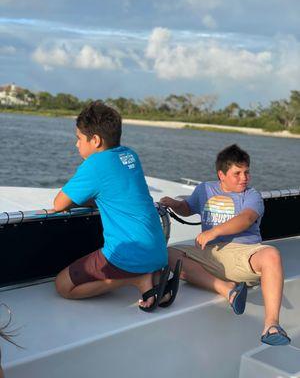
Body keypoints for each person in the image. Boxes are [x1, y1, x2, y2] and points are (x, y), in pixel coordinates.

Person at [53, 101, 179, 312]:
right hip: (157, 250)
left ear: (95, 140)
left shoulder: (94, 164)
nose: (76, 145)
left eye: (79, 139)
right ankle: (151, 278)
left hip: (130, 255)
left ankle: (137, 280)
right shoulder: (130, 155)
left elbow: (59, 204)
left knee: (63, 286)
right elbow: (116, 193)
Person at [160, 144, 290, 345]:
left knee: (271, 255)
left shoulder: (252, 195)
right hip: (211, 254)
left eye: (246, 172)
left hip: (243, 254)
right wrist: (176, 205)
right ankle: (228, 289)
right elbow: (188, 207)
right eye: (237, 173)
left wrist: (214, 231)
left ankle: (271, 326)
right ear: (221, 174)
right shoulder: (205, 189)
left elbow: (246, 219)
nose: (244, 178)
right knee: (168, 254)